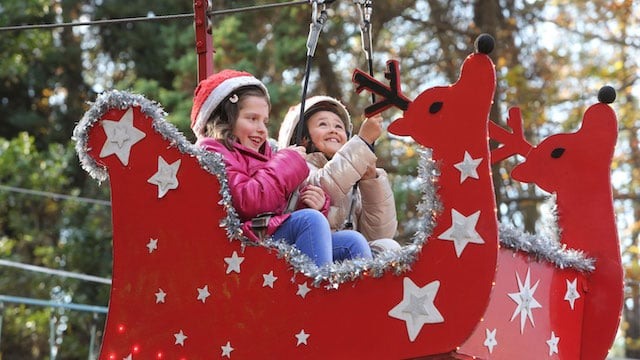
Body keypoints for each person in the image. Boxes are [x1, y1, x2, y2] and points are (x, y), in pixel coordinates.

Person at [190, 70, 372, 267]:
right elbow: (250, 202)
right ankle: (318, 295)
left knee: (353, 241)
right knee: (310, 222)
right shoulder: (214, 151)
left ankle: (362, 297)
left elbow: (282, 206)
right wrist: (286, 162)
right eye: (252, 119)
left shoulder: (268, 154)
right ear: (226, 118)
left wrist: (313, 202)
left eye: (264, 121)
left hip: (269, 234)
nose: (262, 129)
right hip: (243, 242)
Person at [278, 96, 400, 255]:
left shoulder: (352, 183)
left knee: (389, 247)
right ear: (303, 138)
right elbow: (326, 184)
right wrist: (362, 143)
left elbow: (379, 233)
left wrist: (371, 181)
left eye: (339, 126)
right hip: (311, 252)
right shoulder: (298, 167)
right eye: (323, 124)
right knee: (353, 241)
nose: (333, 130)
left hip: (350, 258)